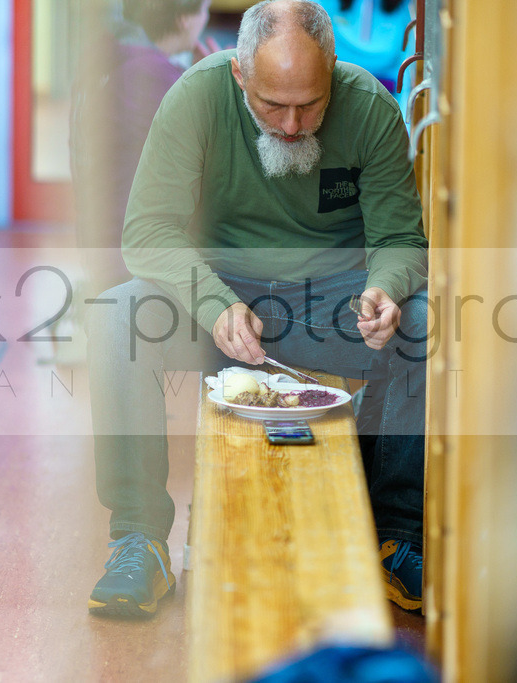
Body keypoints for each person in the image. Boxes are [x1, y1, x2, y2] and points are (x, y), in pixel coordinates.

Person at [85, 0, 428, 619]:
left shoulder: (371, 108)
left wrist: (386, 289)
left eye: (311, 104)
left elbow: (401, 241)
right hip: (216, 296)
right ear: (239, 74)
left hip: (332, 305)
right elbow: (147, 232)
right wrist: (214, 302)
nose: (293, 126)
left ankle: (396, 535)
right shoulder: (194, 98)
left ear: (332, 68)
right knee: (116, 318)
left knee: (423, 321)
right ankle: (138, 539)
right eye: (273, 105)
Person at [70, 0, 212, 293]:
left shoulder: (117, 61)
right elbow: (212, 156)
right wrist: (214, 82)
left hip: (103, 236)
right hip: (133, 255)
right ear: (185, 19)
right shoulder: (154, 77)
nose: (205, 20)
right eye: (204, 10)